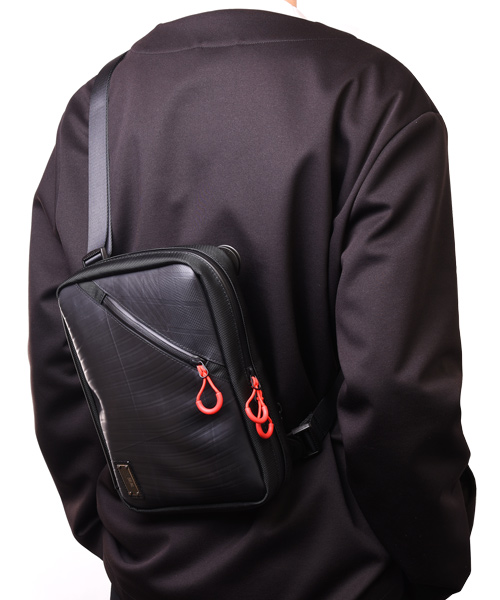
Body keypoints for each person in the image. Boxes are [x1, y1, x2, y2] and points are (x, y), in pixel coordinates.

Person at [28, 1, 476, 599]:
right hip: (340, 576)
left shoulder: (94, 114)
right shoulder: (376, 98)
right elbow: (396, 391)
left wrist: (128, 543)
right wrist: (437, 561)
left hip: (151, 578)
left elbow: (63, 377)